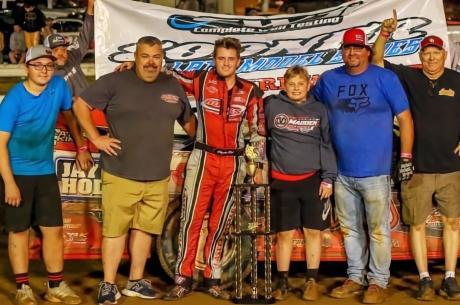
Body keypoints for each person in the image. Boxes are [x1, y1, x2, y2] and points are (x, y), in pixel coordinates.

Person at [115, 36, 266, 300]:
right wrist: (137, 64)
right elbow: (168, 69)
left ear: (238, 62)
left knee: (221, 224)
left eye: (231, 59)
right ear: (214, 60)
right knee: (190, 221)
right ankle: (182, 279)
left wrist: (256, 164)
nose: (226, 63)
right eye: (221, 58)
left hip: (234, 163)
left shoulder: (251, 91)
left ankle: (213, 278)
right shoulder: (201, 79)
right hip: (203, 158)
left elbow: (257, 133)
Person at [72, 36, 197, 305]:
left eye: (156, 57)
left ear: (162, 59)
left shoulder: (172, 85)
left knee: (144, 230)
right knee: (115, 232)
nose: (151, 62)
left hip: (157, 175)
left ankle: (135, 282)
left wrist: (214, 143)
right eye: (145, 56)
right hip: (120, 173)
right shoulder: (115, 81)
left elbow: (190, 123)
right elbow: (80, 105)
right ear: (136, 56)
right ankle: (108, 284)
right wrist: (95, 138)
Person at [312, 28, 414, 304]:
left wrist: (406, 156)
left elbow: (405, 119)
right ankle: (356, 276)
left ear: (367, 51)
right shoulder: (329, 80)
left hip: (376, 172)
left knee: (379, 230)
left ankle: (377, 282)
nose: (352, 52)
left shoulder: (385, 78)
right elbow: (307, 106)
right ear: (342, 51)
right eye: (347, 48)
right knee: (350, 229)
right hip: (341, 172)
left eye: (357, 48)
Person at [372, 10, 460, 301]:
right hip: (417, 168)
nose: (432, 58)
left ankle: (449, 277)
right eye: (427, 53)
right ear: (420, 56)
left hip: (451, 167)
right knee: (418, 225)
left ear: (444, 54)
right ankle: (424, 278)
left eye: (436, 53)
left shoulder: (457, 80)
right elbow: (376, 61)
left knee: (453, 223)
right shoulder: (408, 76)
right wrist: (384, 33)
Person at [0, 45, 93, 305]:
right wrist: (9, 183)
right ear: (25, 67)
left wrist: (81, 147)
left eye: (49, 65)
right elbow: (0, 145)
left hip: (45, 171)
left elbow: (70, 116)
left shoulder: (59, 87)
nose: (44, 70)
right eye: (38, 65)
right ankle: (23, 288)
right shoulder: (13, 99)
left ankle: (55, 286)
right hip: (17, 173)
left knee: (53, 229)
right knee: (18, 231)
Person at [264, 65, 337, 301]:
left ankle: (311, 281)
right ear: (284, 84)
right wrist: (256, 165)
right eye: (291, 84)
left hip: (312, 181)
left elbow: (326, 144)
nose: (296, 88)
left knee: (312, 232)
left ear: (308, 84)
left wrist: (328, 178)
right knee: (283, 234)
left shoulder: (319, 109)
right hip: (282, 182)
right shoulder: (272, 105)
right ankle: (282, 282)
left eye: (301, 84)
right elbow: (258, 136)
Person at [44, 0, 94, 98]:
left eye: (63, 49)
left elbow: (85, 36)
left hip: (90, 104)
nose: (61, 53)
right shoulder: (45, 75)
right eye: (55, 51)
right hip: (70, 111)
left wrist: (90, 9)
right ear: (48, 54)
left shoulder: (72, 55)